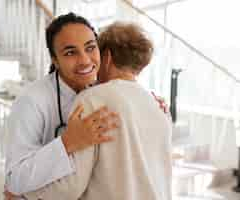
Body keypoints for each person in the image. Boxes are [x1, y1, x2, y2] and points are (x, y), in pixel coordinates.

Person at [23, 22, 172, 200]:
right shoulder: (159, 107)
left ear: (107, 57)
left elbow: (71, 187)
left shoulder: (93, 99)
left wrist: (25, 192)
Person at [5, 12, 121, 197]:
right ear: (55, 60)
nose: (85, 60)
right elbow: (15, 180)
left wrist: (154, 102)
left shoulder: (106, 90)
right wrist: (67, 142)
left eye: (90, 48)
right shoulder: (32, 100)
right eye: (70, 52)